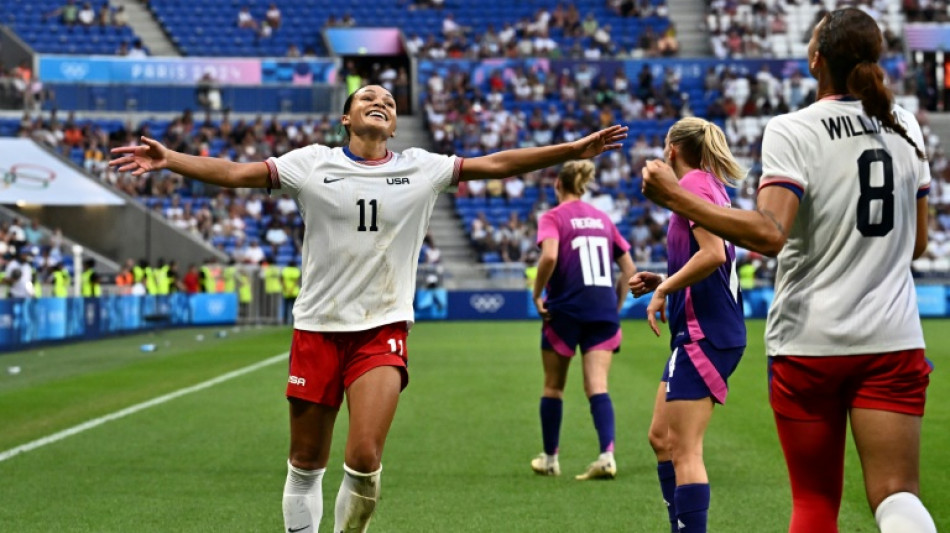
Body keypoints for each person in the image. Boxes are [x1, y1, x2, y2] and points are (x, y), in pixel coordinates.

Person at [111, 84, 627, 533]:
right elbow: (234, 172)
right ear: (346, 117)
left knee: (363, 458)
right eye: (368, 99)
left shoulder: (422, 169)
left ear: (395, 122)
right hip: (316, 326)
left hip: (381, 329)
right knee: (306, 462)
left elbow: (498, 162)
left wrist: (571, 149)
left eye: (388, 101)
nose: (379, 102)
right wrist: (172, 159)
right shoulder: (311, 163)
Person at [640, 9, 936, 533]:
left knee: (817, 504)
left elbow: (770, 234)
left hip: (811, 340)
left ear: (815, 58)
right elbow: (917, 244)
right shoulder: (906, 125)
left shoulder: (794, 129)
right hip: (893, 337)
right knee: (897, 496)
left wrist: (673, 197)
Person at [628, 117, 747, 533]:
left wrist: (664, 291)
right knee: (662, 438)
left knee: (684, 448)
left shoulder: (694, 184)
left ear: (673, 149)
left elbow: (713, 254)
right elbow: (712, 259)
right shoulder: (707, 186)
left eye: (665, 145)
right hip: (701, 329)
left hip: (706, 332)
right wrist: (665, 280)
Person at [530, 160, 637, 481]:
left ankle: (550, 459)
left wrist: (537, 294)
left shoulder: (553, 217)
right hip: (602, 310)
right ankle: (606, 455)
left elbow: (549, 256)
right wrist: (615, 304)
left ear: (557, 186)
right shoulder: (603, 219)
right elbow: (629, 269)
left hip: (565, 309)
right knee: (598, 386)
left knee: (553, 387)